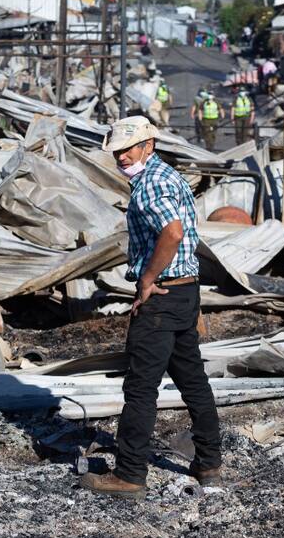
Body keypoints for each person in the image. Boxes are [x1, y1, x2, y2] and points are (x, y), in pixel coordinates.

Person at [79, 115, 223, 499]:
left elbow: (172, 233)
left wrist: (147, 279)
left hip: (162, 297)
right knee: (193, 381)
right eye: (116, 152)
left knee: (141, 388)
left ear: (148, 145)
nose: (121, 157)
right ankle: (209, 463)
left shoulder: (149, 185)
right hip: (185, 291)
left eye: (128, 149)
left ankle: (129, 475)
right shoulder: (169, 176)